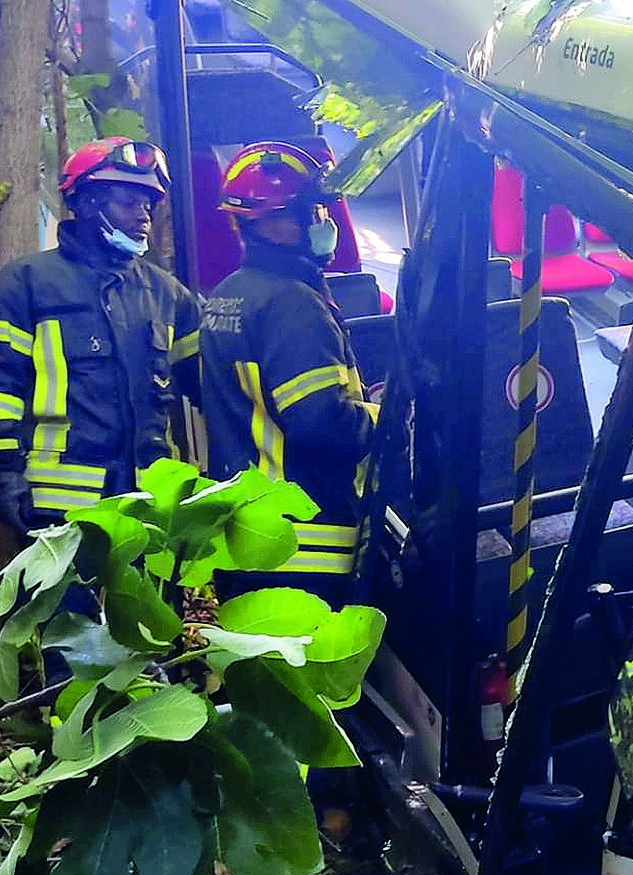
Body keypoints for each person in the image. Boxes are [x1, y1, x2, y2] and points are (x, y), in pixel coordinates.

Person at [0, 137, 201, 548]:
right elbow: (4, 386)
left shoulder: (168, 294)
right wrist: (4, 473)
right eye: (128, 202)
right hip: (56, 515)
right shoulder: (27, 283)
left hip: (149, 514)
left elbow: (210, 387)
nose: (143, 215)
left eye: (148, 205)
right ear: (87, 202)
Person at [199, 141, 374, 604]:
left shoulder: (228, 295)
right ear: (266, 222)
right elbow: (318, 422)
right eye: (309, 212)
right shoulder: (292, 302)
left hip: (249, 540)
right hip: (305, 545)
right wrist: (382, 417)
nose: (324, 224)